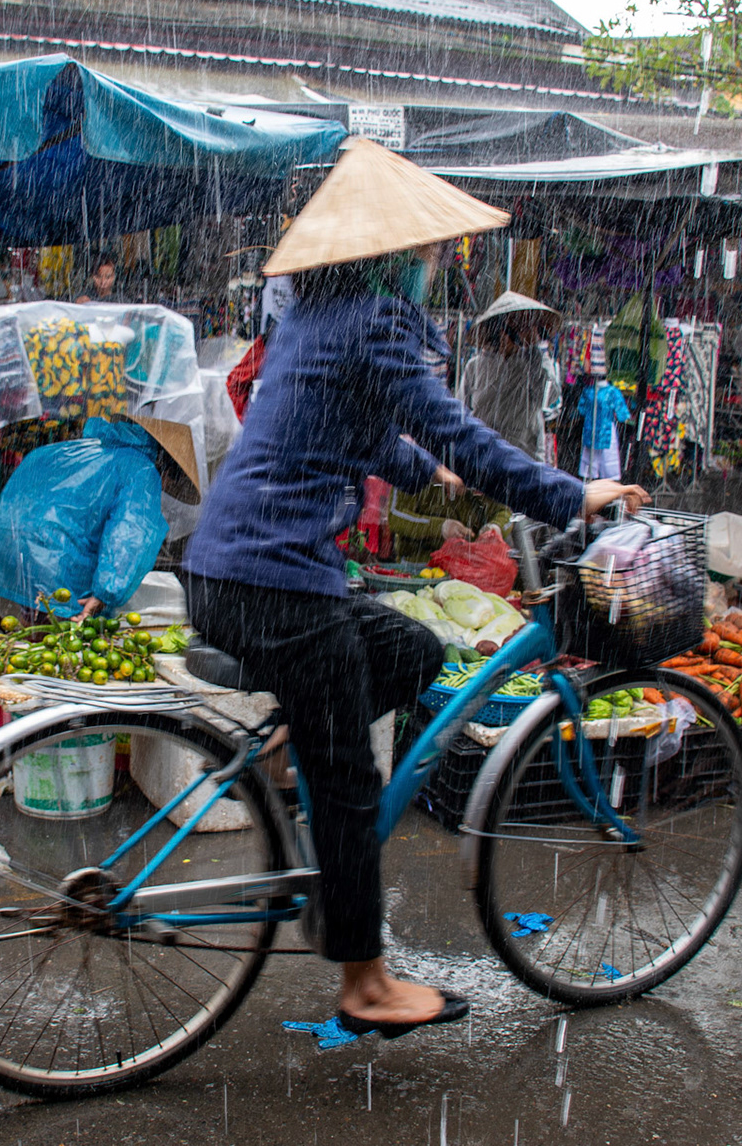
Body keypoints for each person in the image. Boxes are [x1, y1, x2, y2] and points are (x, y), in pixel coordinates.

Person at [183, 139, 647, 1039]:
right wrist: (569, 491)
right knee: (352, 780)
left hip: (230, 567)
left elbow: (344, 426)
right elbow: (464, 433)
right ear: (393, 255)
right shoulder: (376, 322)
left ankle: (301, 755)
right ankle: (363, 980)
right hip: (277, 579)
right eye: (430, 253)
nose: (436, 266)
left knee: (413, 650)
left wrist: (430, 474)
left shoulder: (317, 319)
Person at [0, 415, 195, 623]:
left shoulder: (82, 449)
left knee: (36, 631)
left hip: (12, 552)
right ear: (166, 471)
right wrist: (106, 592)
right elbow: (128, 534)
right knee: (64, 645)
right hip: (56, 563)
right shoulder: (142, 471)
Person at [456, 291, 561, 460]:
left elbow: (548, 398)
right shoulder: (475, 366)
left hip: (524, 457)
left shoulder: (538, 363)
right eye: (516, 326)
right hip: (484, 457)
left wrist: (533, 354)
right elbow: (462, 412)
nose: (522, 332)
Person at [576, 363, 632, 481]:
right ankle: (607, 488)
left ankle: (589, 487)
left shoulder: (588, 392)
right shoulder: (613, 392)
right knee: (608, 461)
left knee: (591, 461)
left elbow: (581, 410)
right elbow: (623, 414)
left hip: (591, 429)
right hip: (606, 429)